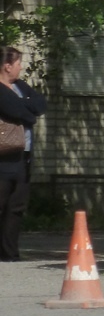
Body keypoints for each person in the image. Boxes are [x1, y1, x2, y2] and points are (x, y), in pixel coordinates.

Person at [0, 46, 47, 262]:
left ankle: (10, 253)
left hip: (23, 157)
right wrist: (26, 111)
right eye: (19, 64)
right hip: (3, 158)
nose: (21, 68)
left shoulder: (20, 86)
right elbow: (16, 110)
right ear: (7, 66)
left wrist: (26, 108)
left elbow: (40, 105)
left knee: (16, 206)